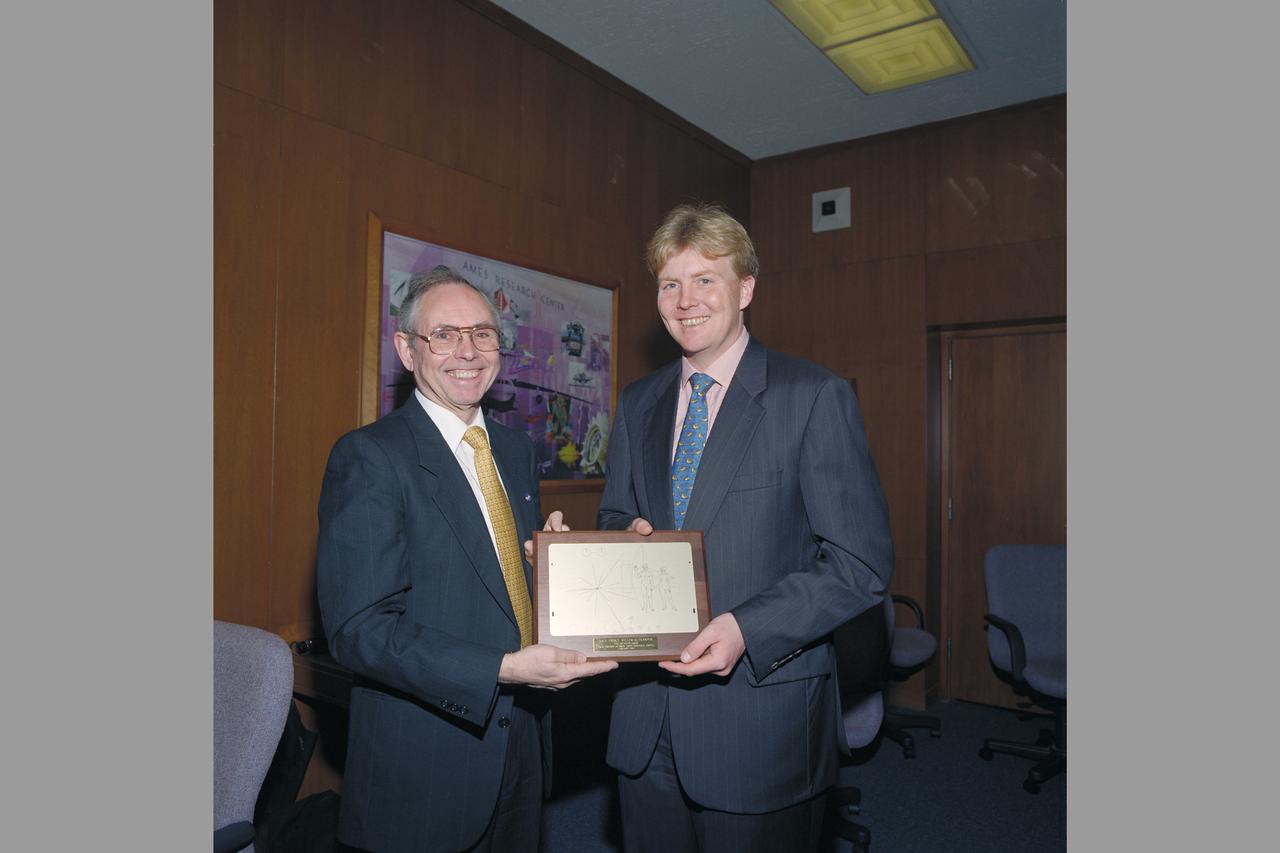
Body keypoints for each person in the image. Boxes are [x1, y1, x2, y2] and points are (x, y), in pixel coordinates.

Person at [597, 203, 894, 852]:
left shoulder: (810, 396)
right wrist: (629, 537)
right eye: (669, 282)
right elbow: (615, 514)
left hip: (761, 726)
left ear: (746, 288)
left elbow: (859, 565)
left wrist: (744, 628)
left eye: (706, 278)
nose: (685, 299)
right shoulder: (638, 402)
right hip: (644, 723)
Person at [316, 267, 617, 853]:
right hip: (427, 764)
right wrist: (502, 668)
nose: (467, 352)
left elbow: (489, 569)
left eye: (482, 333)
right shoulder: (369, 457)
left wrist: (547, 560)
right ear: (407, 350)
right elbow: (360, 631)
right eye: (445, 335)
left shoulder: (513, 448)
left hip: (523, 744)